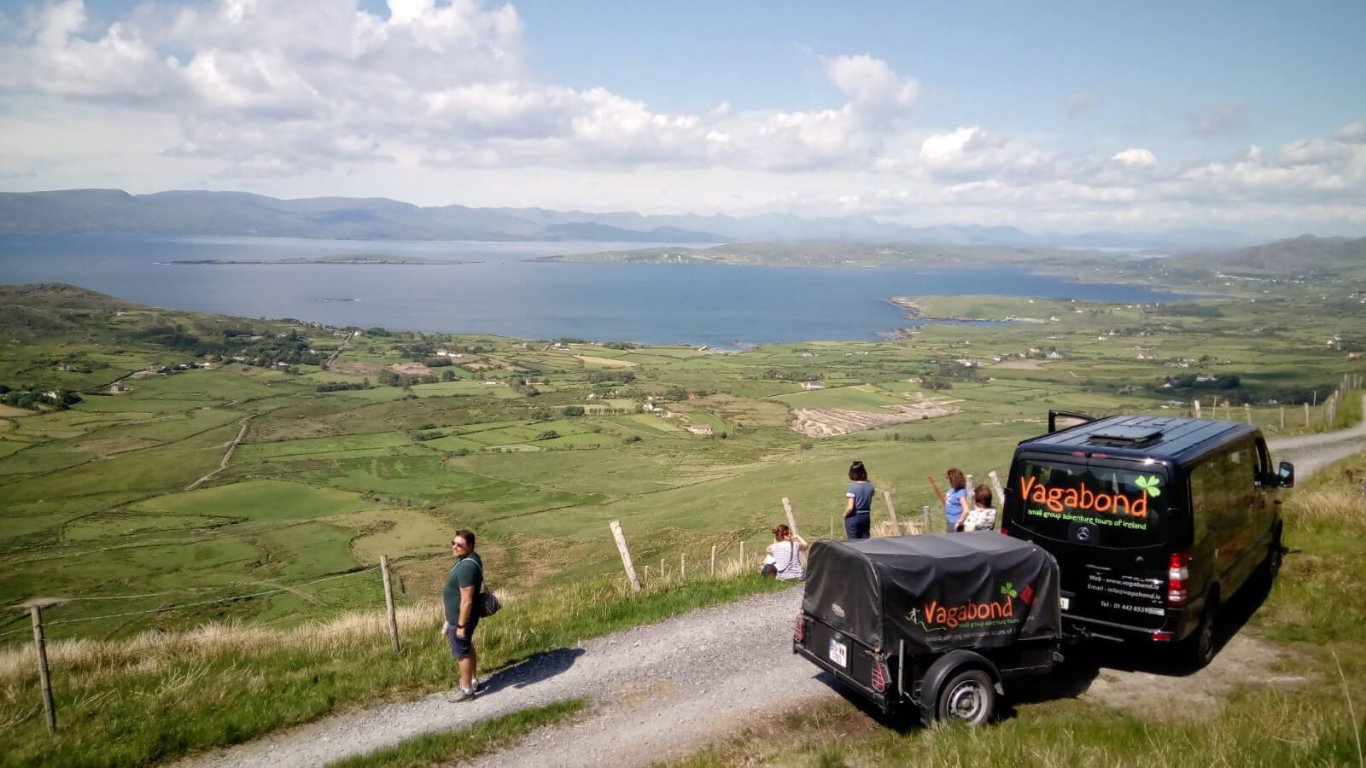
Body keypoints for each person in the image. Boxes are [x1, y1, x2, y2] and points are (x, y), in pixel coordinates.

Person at [443, 528, 483, 702]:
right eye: (454, 543)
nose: (455, 547)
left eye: (460, 545)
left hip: (462, 618)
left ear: (471, 546)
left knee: (462, 652)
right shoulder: (468, 559)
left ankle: (466, 690)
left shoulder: (466, 567)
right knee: (467, 647)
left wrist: (460, 625)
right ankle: (472, 681)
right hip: (462, 617)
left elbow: (466, 600)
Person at [844, 460, 874, 539]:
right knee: (865, 541)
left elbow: (850, 507)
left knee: (854, 543)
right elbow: (869, 502)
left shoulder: (852, 487)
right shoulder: (870, 486)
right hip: (866, 516)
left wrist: (845, 514)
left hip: (854, 516)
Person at [944, 468, 969, 533]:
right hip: (949, 521)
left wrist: (958, 522)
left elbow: (966, 510)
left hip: (956, 524)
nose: (949, 481)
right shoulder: (952, 489)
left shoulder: (961, 492)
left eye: (950, 479)